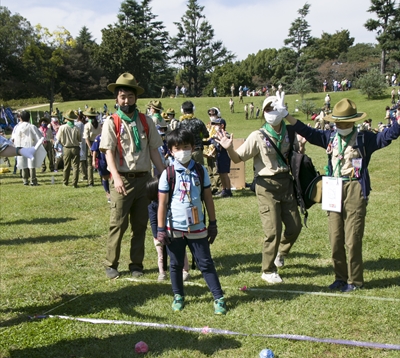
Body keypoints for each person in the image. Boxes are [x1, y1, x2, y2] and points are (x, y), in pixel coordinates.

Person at [284, 98, 400, 291]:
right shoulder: (329, 136)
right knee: (335, 236)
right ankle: (340, 277)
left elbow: (387, 136)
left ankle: (355, 281)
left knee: (353, 237)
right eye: (338, 122)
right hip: (332, 187)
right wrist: (287, 116)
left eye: (344, 122)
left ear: (353, 121)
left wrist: (398, 123)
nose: (341, 125)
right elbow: (308, 132)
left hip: (354, 187)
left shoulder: (364, 138)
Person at [218, 94, 302, 283]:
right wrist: (229, 148)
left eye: (275, 109)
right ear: (263, 113)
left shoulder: (289, 133)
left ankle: (281, 252)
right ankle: (268, 270)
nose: (271, 113)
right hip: (266, 186)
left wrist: (301, 148)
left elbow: (295, 153)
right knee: (272, 230)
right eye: (267, 109)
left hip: (286, 183)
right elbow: (238, 158)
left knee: (295, 226)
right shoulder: (258, 136)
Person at [99, 72, 165, 280]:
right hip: (123, 180)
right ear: (116, 99)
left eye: (130, 96)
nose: (126, 101)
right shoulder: (112, 122)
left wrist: (164, 173)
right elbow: (108, 152)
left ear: (136, 98)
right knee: (117, 223)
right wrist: (116, 177)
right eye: (122, 97)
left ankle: (136, 264)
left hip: (144, 180)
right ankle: (111, 264)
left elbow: (154, 150)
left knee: (140, 225)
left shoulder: (146, 121)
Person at [157, 128, 227, 315]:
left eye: (186, 147)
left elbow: (208, 199)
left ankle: (218, 298)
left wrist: (213, 223)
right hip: (174, 229)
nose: (182, 151)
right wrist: (161, 229)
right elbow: (162, 204)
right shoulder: (168, 173)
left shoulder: (200, 170)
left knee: (206, 263)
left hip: (197, 227)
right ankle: (178, 295)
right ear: (171, 150)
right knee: (176, 264)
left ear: (193, 147)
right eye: (177, 148)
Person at [12, 110, 43, 186]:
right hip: (30, 147)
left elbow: (14, 138)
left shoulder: (17, 127)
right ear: (29, 118)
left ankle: (25, 180)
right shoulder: (32, 127)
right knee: (31, 165)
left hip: (20, 148)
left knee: (23, 164)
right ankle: (33, 180)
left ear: (21, 118)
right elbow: (40, 137)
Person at [176, 101, 209, 165]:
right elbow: (206, 135)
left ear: (182, 110)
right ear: (193, 109)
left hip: (185, 151)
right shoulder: (199, 122)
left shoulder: (180, 123)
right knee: (199, 171)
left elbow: (177, 136)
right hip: (197, 150)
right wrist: (200, 136)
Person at [56, 109, 82, 187]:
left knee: (66, 166)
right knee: (75, 166)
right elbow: (79, 139)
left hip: (66, 147)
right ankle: (74, 183)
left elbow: (58, 138)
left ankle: (65, 181)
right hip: (75, 147)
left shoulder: (62, 127)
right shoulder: (77, 128)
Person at [83, 107, 102, 187]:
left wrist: (90, 148)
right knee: (100, 162)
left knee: (90, 164)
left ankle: (90, 182)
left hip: (91, 143)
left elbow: (86, 138)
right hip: (98, 143)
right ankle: (102, 179)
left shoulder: (87, 125)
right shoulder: (99, 124)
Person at [91, 134, 110, 202]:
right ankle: (108, 193)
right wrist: (93, 160)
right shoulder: (99, 137)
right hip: (102, 160)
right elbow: (95, 150)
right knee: (105, 177)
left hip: (112, 160)